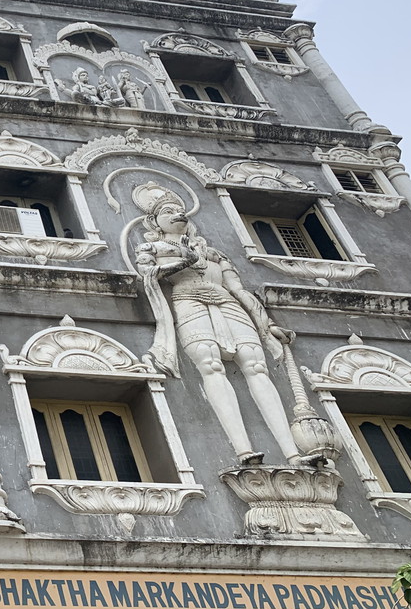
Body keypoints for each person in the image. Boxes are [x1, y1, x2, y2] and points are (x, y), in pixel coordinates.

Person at [132, 182, 312, 466]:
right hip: (189, 300)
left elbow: (239, 290)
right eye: (168, 211)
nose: (177, 214)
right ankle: (243, 451)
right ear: (154, 221)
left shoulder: (213, 252)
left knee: (256, 366)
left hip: (228, 304)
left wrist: (267, 326)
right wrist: (182, 262)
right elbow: (148, 274)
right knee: (211, 365)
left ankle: (293, 454)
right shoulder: (151, 246)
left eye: (180, 210)